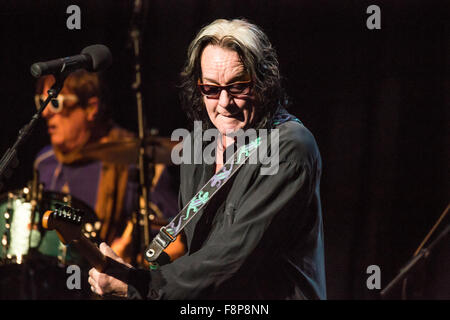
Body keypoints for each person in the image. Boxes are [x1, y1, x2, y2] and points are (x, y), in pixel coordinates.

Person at [88, 18, 326, 300]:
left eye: (238, 87)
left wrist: (139, 285)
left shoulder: (290, 147)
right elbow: (195, 247)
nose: (224, 103)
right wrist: (134, 269)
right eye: (211, 89)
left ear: (264, 83)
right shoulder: (201, 143)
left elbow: (233, 257)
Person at [34, 70, 180, 263]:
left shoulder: (137, 162)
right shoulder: (44, 162)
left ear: (91, 108)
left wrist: (136, 261)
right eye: (41, 103)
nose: (45, 113)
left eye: (56, 102)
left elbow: (178, 238)